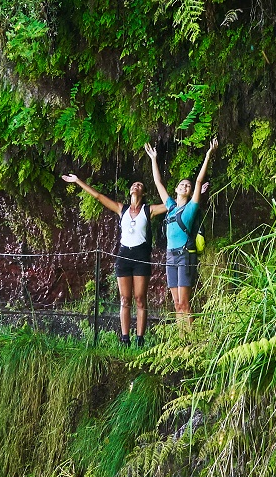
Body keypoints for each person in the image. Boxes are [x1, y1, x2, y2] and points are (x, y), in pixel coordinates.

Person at [63, 166, 156, 342]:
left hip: (141, 256)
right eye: (134, 184)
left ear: (143, 192)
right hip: (123, 256)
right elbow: (98, 196)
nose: (136, 186)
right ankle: (125, 337)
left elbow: (170, 205)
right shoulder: (122, 209)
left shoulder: (147, 210)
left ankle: (140, 338)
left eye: (139, 185)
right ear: (130, 190)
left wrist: (193, 194)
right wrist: (77, 181)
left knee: (140, 299)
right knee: (124, 298)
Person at [145, 134, 217, 326]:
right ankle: (180, 339)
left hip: (185, 256)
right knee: (176, 303)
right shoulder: (169, 207)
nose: (185, 186)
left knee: (185, 303)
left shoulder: (190, 208)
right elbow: (158, 183)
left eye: (188, 186)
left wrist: (209, 154)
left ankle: (191, 341)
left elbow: (200, 181)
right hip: (170, 256)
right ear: (176, 189)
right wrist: (154, 159)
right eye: (182, 184)